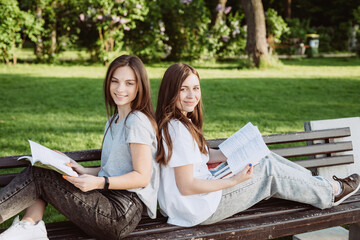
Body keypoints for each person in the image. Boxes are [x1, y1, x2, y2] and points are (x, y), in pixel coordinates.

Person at [155, 62, 360, 227]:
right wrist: (234, 180)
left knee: (263, 156)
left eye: (195, 88)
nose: (192, 96)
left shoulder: (177, 123)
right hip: (198, 208)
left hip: (194, 203)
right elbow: (187, 185)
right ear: (170, 92)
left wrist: (233, 152)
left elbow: (201, 154)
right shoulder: (176, 130)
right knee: (268, 171)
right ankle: (330, 192)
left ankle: (318, 185)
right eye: (184, 89)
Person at [0, 55, 159, 239]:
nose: (120, 88)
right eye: (115, 81)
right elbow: (117, 168)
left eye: (129, 83)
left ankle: (31, 227)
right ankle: (30, 225)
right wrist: (81, 169)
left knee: (39, 174)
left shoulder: (137, 121)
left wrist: (100, 182)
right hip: (108, 203)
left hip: (121, 213)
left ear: (140, 87)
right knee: (44, 167)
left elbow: (142, 177)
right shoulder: (113, 121)